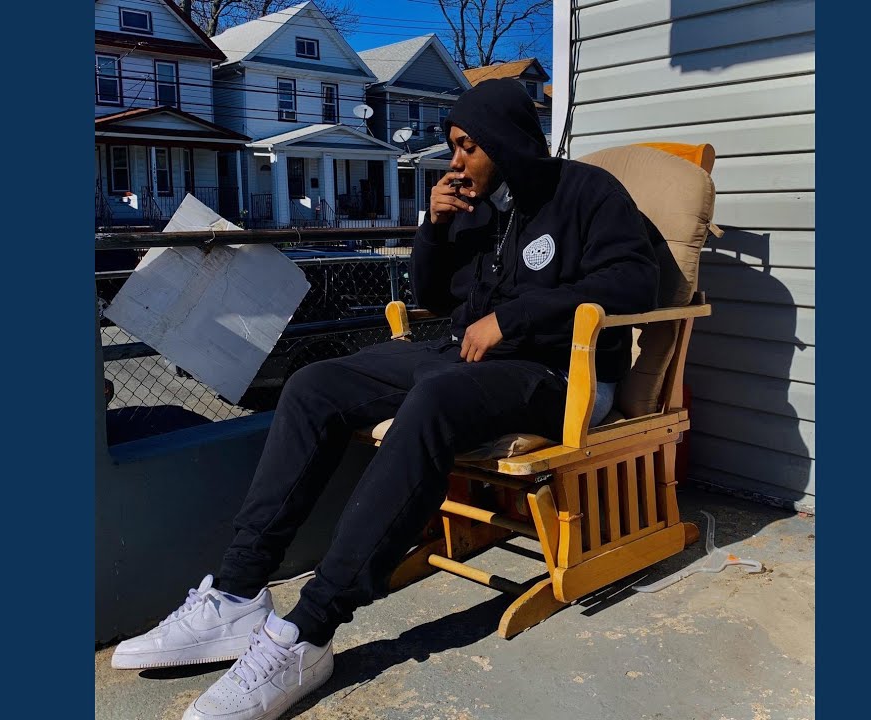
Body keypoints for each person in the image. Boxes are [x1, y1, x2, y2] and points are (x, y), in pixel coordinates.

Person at [111, 78, 663, 720]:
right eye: (452, 146)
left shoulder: (587, 193)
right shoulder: (483, 205)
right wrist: (436, 227)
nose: (455, 160)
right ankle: (236, 594)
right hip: (465, 356)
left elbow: (635, 281)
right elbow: (434, 296)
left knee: (433, 399)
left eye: (467, 146)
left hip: (559, 374)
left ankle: (309, 631)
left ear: (505, 141)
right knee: (314, 385)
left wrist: (515, 320)